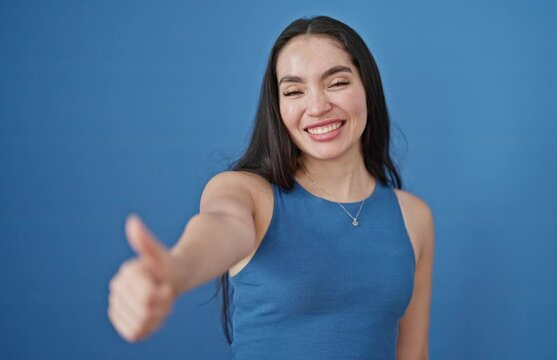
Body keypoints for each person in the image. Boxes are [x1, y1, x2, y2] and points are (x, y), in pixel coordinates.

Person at [107, 15, 434, 359]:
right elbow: (222, 226)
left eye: (337, 83)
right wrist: (174, 271)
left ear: (367, 86)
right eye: (294, 91)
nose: (317, 106)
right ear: (278, 108)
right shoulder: (247, 193)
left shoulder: (413, 216)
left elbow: (413, 353)